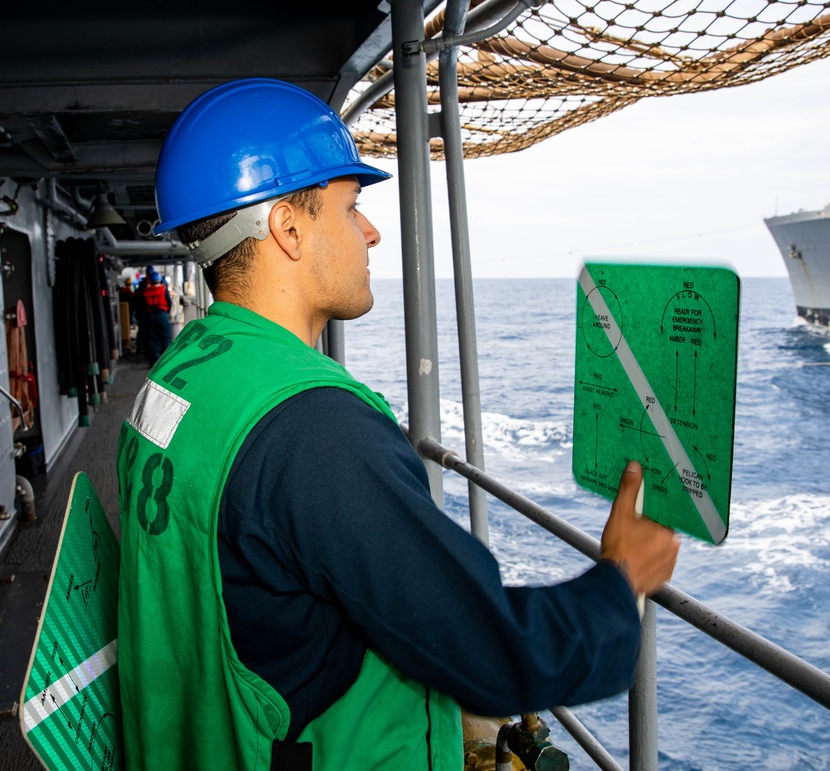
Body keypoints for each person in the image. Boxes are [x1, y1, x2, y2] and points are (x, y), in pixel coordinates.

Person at [117, 78, 679, 771]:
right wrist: (620, 586)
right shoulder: (312, 429)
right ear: (288, 229)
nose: (372, 230)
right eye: (351, 208)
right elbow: (487, 648)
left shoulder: (182, 372)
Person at [134, 265, 172, 365]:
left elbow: (142, 304)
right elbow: (169, 302)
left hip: (150, 316)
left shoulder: (146, 291)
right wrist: (166, 313)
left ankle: (153, 363)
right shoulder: (163, 290)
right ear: (159, 280)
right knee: (165, 338)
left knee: (152, 340)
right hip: (162, 315)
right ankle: (166, 362)